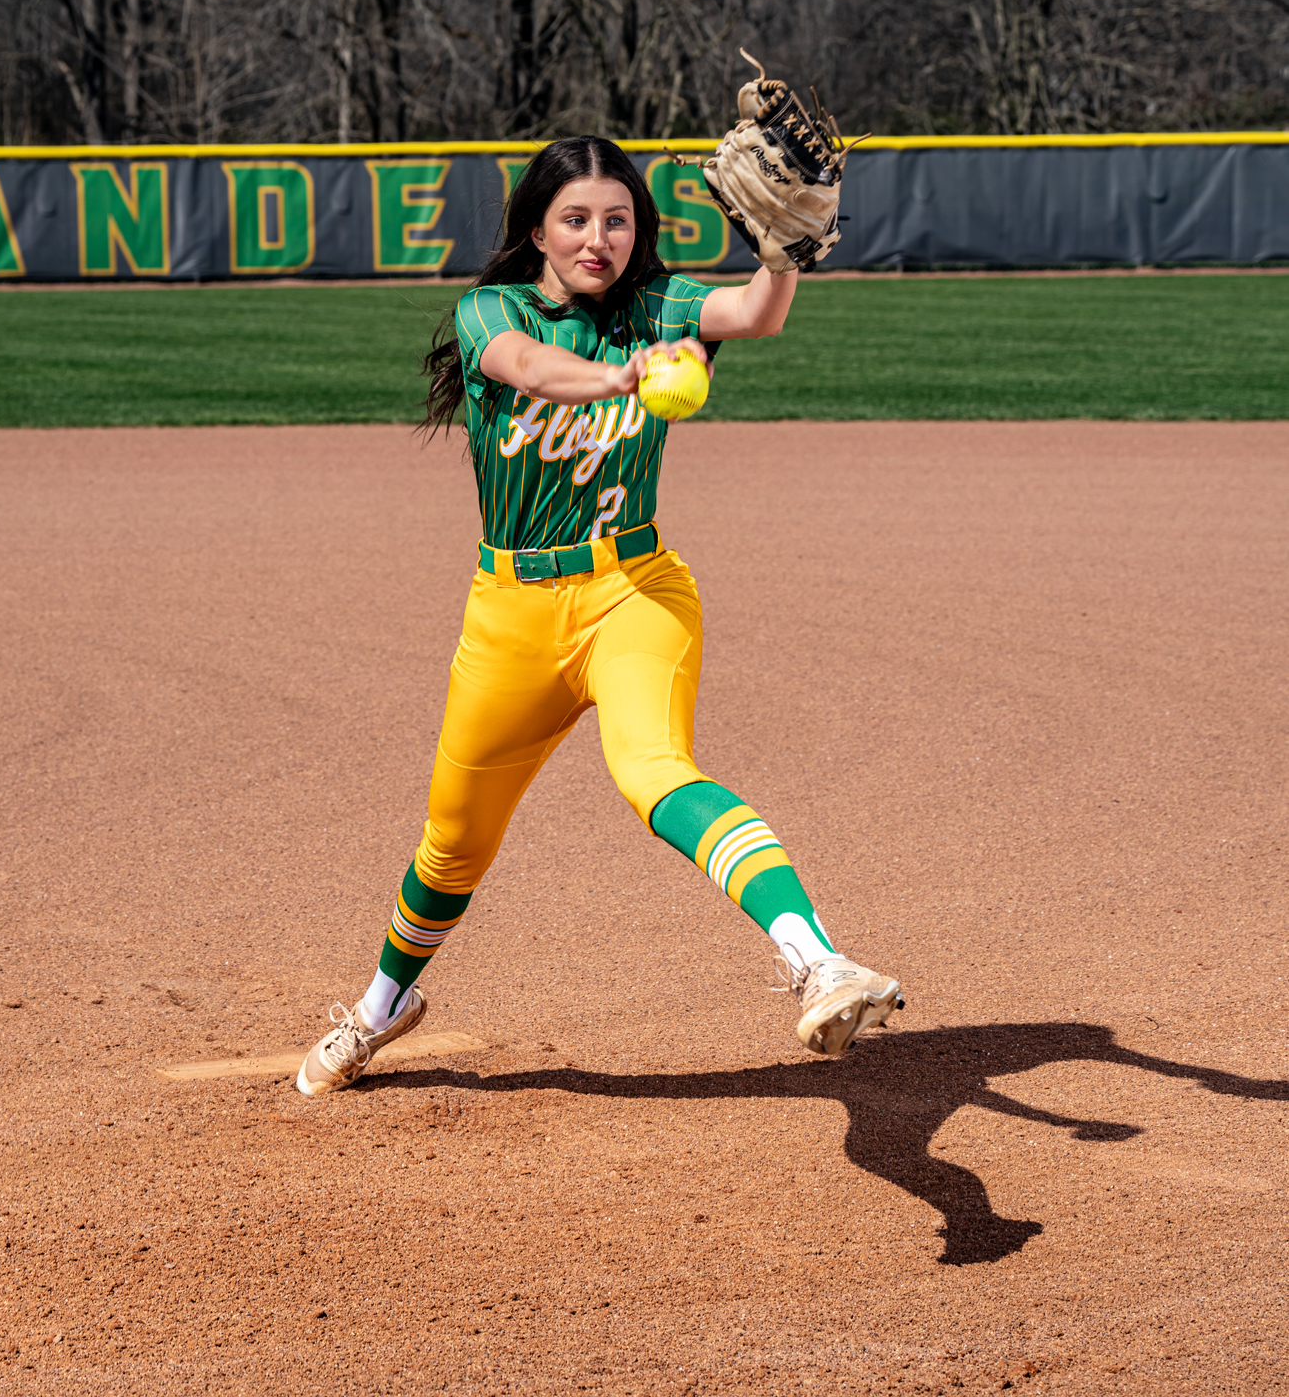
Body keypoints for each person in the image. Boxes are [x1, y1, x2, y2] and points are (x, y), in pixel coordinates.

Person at [298, 136, 901, 1095]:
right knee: (452, 843)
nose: (598, 238)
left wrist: (782, 254)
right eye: (575, 219)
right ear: (537, 229)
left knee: (653, 771)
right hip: (512, 615)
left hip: (634, 591)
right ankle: (380, 1010)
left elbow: (755, 313)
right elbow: (530, 367)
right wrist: (628, 375)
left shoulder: (660, 305)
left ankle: (817, 961)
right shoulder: (490, 311)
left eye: (616, 219)